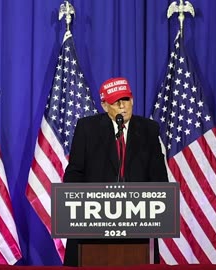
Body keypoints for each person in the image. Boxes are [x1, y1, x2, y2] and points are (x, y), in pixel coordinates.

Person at [62, 77, 168, 266]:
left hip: (138, 222)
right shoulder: (87, 128)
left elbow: (159, 176)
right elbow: (74, 173)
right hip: (92, 222)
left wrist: (158, 202)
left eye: (125, 100)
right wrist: (78, 203)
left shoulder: (149, 130)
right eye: (115, 102)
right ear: (104, 105)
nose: (122, 106)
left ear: (132, 100)